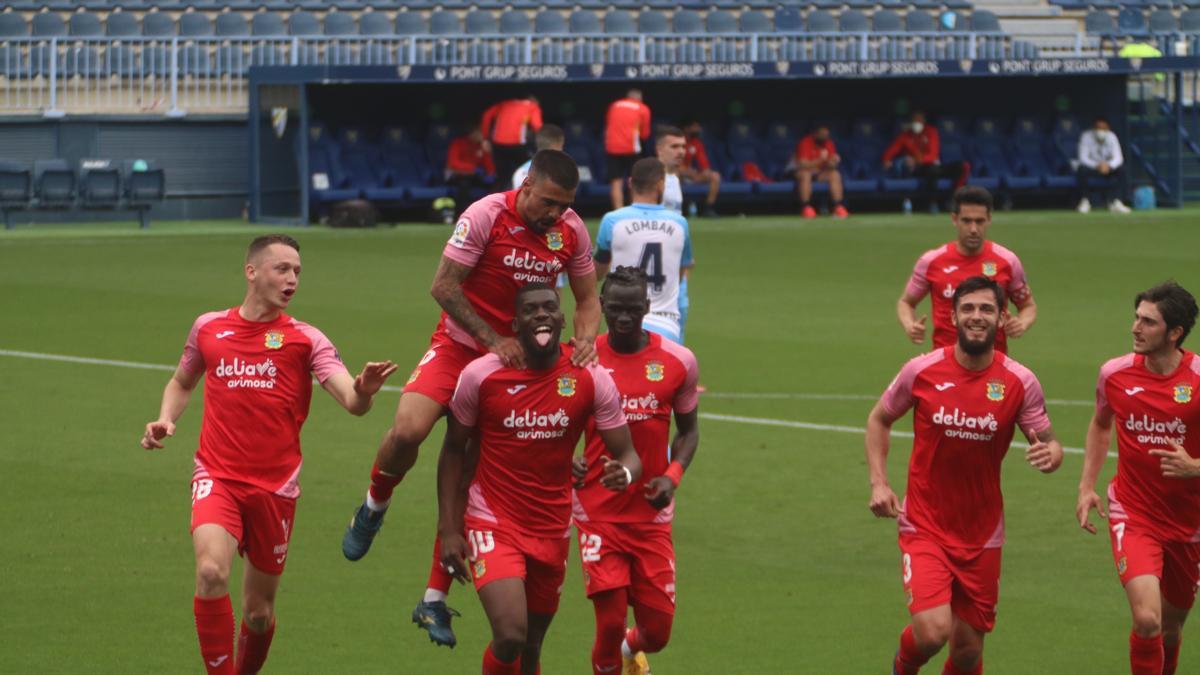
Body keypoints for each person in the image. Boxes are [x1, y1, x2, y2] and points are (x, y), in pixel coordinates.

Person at [340, 150, 602, 648]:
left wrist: (586, 339)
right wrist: (491, 339)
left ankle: (434, 597)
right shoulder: (484, 214)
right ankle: (374, 504)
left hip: (515, 370)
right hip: (461, 347)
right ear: (526, 185)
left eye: (564, 205)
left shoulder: (571, 231)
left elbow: (587, 299)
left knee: (474, 475)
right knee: (409, 430)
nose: (554, 214)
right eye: (547, 202)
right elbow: (442, 285)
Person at [140, 234, 398, 675]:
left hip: (275, 487)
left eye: (297, 271)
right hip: (217, 476)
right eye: (282, 269)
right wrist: (165, 418)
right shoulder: (209, 328)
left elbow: (352, 404)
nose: (292, 278)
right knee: (210, 573)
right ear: (252, 271)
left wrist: (363, 390)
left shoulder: (306, 339)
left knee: (258, 614)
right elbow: (182, 382)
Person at [437, 282, 643, 675]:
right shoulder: (481, 376)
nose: (542, 315)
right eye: (531, 311)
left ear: (564, 320)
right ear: (515, 324)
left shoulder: (588, 376)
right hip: (493, 521)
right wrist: (449, 528)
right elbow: (452, 452)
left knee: (531, 646)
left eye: (550, 308)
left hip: (551, 527)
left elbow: (629, 453)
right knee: (511, 633)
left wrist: (627, 473)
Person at [866, 275, 1064, 675]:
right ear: (954, 315)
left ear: (1002, 317)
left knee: (969, 650)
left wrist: (1052, 454)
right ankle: (902, 667)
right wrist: (879, 482)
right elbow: (879, 419)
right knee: (933, 631)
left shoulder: (1019, 382)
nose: (977, 316)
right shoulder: (920, 371)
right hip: (925, 523)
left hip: (982, 532)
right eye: (968, 308)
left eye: (987, 309)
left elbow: (1051, 441)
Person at [573, 267, 700, 675]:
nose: (623, 318)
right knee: (609, 623)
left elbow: (689, 431)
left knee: (657, 632)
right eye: (615, 309)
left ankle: (632, 650)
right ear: (602, 307)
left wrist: (672, 476)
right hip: (598, 511)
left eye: (632, 309)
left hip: (651, 516)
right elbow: (557, 422)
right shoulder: (583, 359)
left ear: (647, 307)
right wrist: (565, 461)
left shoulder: (677, 362)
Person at [1077, 282, 1200, 675]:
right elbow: (1100, 425)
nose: (1135, 327)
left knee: (1169, 628)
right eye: (1137, 317)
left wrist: (1196, 467)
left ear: (1175, 332)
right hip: (1134, 514)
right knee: (1147, 620)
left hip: (1190, 523)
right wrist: (1086, 487)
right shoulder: (1114, 374)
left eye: (1148, 321)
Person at [897, 186, 1036, 355]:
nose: (973, 229)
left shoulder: (1007, 261)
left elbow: (1028, 306)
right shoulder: (931, 261)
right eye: (967, 221)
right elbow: (906, 302)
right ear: (955, 219)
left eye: (979, 221)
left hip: (993, 366)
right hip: (944, 365)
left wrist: (1022, 323)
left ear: (989, 219)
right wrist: (910, 325)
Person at [594, 158, 693, 345]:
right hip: (666, 324)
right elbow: (680, 276)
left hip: (621, 324)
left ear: (630, 183)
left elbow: (597, 273)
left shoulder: (612, 221)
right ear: (661, 185)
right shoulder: (679, 224)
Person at [882, 111, 970, 213]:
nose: (917, 123)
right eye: (914, 120)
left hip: (933, 164)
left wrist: (916, 160)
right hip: (918, 168)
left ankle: (953, 200)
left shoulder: (931, 131)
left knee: (963, 166)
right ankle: (932, 204)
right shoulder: (906, 135)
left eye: (919, 120)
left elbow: (933, 154)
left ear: (924, 121)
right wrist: (886, 159)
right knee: (932, 170)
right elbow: (892, 149)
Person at [604, 89, 652, 211]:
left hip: (612, 148)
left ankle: (617, 212)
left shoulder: (614, 105)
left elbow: (609, 123)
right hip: (632, 149)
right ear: (639, 98)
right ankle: (634, 212)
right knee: (634, 181)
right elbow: (645, 135)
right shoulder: (643, 108)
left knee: (616, 182)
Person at [481, 95, 543, 186]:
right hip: (517, 144)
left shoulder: (505, 104)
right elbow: (537, 126)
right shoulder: (533, 106)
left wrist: (486, 138)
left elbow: (486, 116)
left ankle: (499, 196)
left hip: (498, 144)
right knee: (525, 172)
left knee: (501, 177)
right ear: (534, 101)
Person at [1076, 116, 1130, 214]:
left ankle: (1116, 201)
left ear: (1108, 128)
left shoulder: (1112, 137)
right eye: (1098, 128)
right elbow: (1083, 158)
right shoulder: (1086, 136)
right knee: (1081, 170)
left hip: (1107, 168)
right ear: (1093, 128)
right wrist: (1097, 165)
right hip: (1092, 168)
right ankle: (1085, 201)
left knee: (1122, 170)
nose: (1100, 131)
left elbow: (1118, 158)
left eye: (1103, 128)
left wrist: (1108, 165)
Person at [795, 125, 849, 219]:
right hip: (802, 172)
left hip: (820, 173)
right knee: (805, 174)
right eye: (822, 134)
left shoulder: (828, 143)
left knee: (835, 174)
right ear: (815, 134)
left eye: (826, 135)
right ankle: (806, 207)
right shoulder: (805, 142)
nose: (825, 137)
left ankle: (838, 206)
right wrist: (821, 160)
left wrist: (833, 162)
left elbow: (831, 165)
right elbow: (803, 164)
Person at [446, 125, 496, 217]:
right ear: (472, 133)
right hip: (457, 175)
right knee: (464, 185)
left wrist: (487, 152)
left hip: (475, 175)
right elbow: (453, 163)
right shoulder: (458, 143)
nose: (482, 136)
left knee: (493, 185)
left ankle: (488, 215)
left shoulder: (480, 146)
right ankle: (462, 215)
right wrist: (473, 168)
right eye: (479, 133)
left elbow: (489, 168)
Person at [680, 120, 721, 218]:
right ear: (686, 128)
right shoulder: (678, 141)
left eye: (698, 126)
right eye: (695, 127)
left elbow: (704, 165)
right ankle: (677, 208)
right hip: (678, 175)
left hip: (691, 175)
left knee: (715, 176)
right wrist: (685, 171)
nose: (698, 129)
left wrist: (704, 172)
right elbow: (672, 165)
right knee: (675, 174)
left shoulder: (697, 143)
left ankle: (708, 208)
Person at [512, 124, 565, 189]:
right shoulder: (562, 173)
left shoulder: (520, 172)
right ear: (556, 145)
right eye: (562, 146)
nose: (562, 149)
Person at [655, 125, 686, 215]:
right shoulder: (651, 178)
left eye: (683, 146)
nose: (681, 151)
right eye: (674, 146)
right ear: (659, 149)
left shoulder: (675, 177)